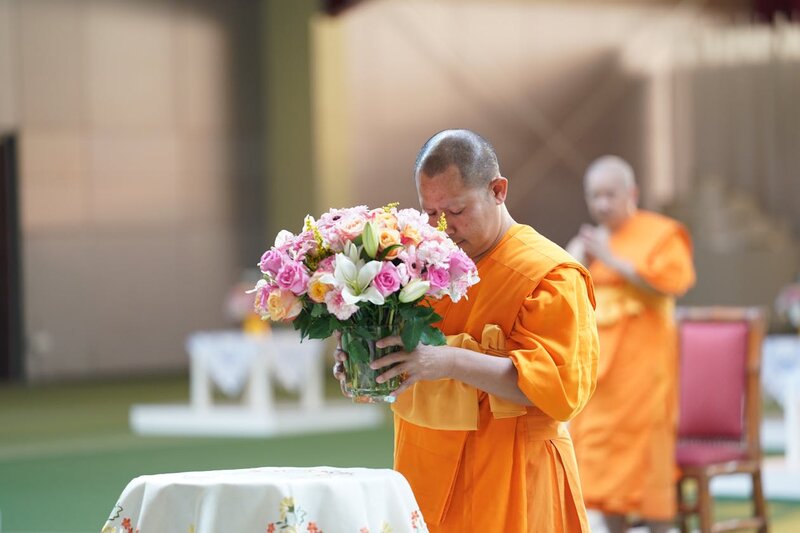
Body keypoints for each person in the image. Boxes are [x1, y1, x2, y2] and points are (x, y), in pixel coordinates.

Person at [333, 129, 599, 532]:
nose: (443, 227)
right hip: (423, 472)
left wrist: (447, 361)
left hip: (512, 477)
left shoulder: (549, 275)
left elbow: (558, 387)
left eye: (456, 211)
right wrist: (363, 361)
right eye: (430, 212)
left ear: (498, 190)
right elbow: (403, 357)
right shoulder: (419, 266)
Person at [566, 156, 696, 533]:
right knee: (600, 452)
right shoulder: (589, 242)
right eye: (595, 196)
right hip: (598, 370)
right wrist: (578, 259)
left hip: (644, 368)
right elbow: (563, 292)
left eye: (611, 194)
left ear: (632, 193)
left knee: (646, 453)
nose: (603, 204)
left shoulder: (661, 233)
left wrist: (613, 260)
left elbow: (671, 284)